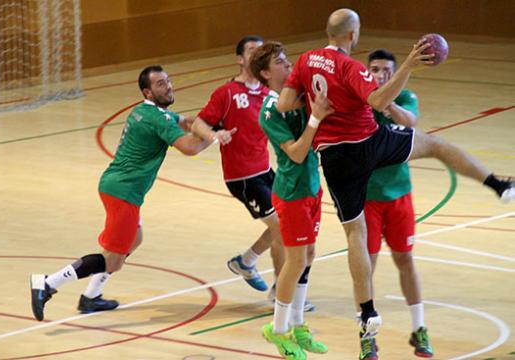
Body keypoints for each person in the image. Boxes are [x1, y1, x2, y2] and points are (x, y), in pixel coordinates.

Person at [276, 8, 514, 360]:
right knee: (436, 145)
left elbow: (283, 103)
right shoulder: (351, 67)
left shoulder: (306, 61)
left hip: (333, 156)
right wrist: (408, 67)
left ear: (328, 32)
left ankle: (368, 312)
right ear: (353, 36)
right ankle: (497, 184)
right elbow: (377, 100)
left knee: (354, 233)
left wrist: (316, 108)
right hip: (368, 143)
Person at [30, 65, 233, 321]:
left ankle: (91, 297)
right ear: (148, 92)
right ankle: (47, 283)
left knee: (134, 239)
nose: (168, 86)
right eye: (160, 84)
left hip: (119, 187)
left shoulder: (148, 111)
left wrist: (209, 121)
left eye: (168, 81)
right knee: (113, 260)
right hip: (123, 191)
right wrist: (216, 137)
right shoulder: (156, 118)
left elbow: (189, 122)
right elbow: (190, 147)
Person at [250, 41, 332, 360]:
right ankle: (278, 329)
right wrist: (315, 120)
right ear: (266, 73)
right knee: (295, 260)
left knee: (308, 254)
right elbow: (296, 153)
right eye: (280, 62)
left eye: (287, 59)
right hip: (292, 191)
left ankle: (298, 325)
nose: (288, 65)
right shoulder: (270, 109)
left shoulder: (296, 96)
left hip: (312, 187)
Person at [191, 35, 285, 295]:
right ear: (240, 59)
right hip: (242, 177)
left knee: (287, 221)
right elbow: (200, 123)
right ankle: (281, 292)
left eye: (261, 51)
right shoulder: (227, 93)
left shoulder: (268, 92)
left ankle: (246, 261)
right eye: (252, 51)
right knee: (282, 227)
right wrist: (214, 136)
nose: (258, 55)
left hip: (265, 170)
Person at [364, 49, 433, 358]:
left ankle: (419, 330)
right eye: (375, 69)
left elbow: (410, 123)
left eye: (386, 70)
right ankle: (366, 333)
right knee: (366, 267)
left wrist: (386, 100)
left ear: (396, 72)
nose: (381, 74)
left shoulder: (405, 97)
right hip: (365, 199)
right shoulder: (359, 99)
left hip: (399, 195)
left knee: (405, 260)